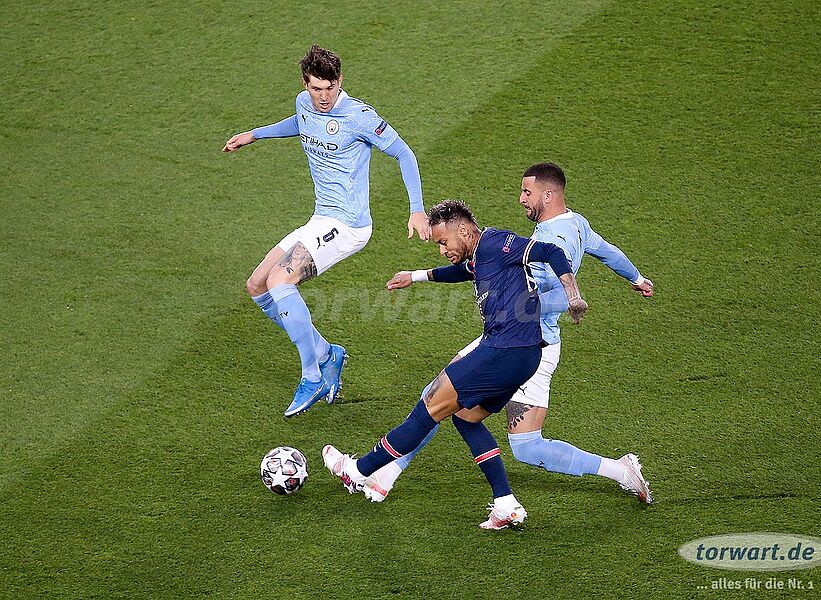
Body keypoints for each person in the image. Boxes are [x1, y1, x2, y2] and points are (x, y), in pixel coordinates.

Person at [369, 162, 654, 504]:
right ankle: (621, 471)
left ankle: (383, 471)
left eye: (527, 192)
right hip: (534, 344)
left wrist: (519, 309)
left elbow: (558, 295)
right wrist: (637, 278)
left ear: (548, 195)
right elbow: (607, 251)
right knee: (524, 445)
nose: (521, 198)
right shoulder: (576, 224)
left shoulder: (550, 239)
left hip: (519, 341)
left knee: (439, 399)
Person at [323, 199, 588, 529]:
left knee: (428, 408)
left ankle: (358, 471)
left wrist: (572, 295)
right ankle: (505, 503)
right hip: (526, 356)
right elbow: (464, 271)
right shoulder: (480, 255)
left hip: (502, 350)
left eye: (443, 241)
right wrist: (415, 276)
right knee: (466, 418)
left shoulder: (496, 242)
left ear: (463, 230)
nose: (442, 250)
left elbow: (550, 251)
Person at [222, 45, 429, 417]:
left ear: (340, 82)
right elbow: (299, 122)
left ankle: (312, 375)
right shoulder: (305, 104)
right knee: (257, 286)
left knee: (280, 281)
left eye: (330, 88)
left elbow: (404, 153)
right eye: (316, 88)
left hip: (348, 225)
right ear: (306, 84)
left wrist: (417, 209)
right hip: (320, 220)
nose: (323, 97)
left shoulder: (359, 116)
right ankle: (326, 353)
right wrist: (254, 135)